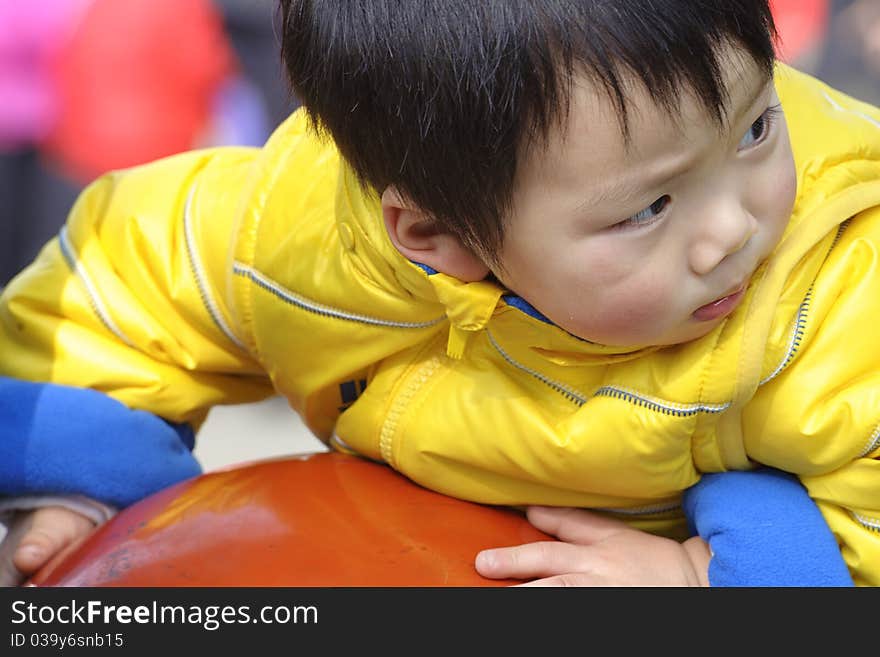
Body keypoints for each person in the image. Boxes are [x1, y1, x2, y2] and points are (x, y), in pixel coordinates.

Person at [1, 0, 874, 585]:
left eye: (757, 126)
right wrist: (83, 470)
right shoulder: (299, 235)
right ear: (432, 237)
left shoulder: (835, 289)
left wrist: (716, 575)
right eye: (649, 207)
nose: (735, 227)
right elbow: (129, 282)